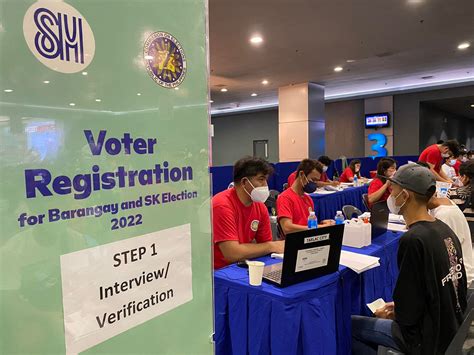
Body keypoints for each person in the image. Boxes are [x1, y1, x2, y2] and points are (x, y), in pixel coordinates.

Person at [352, 163, 467, 355]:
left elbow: (407, 315)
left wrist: (392, 313)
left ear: (405, 195)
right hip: (450, 328)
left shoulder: (413, 239)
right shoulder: (443, 229)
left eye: (393, 190)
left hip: (424, 338)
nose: (390, 196)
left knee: (349, 327)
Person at [212, 157, 285, 269]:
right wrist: (272, 246)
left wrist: (270, 247)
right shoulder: (221, 205)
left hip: (245, 265)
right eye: (261, 179)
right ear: (244, 182)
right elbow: (231, 253)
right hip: (220, 273)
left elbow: (265, 245)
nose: (265, 185)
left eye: (266, 180)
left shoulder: (260, 207)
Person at [277, 159, 335, 235]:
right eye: (313, 180)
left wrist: (323, 223)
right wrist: (320, 227)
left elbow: (309, 225)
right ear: (301, 175)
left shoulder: (308, 199)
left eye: (316, 181)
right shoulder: (285, 198)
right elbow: (287, 228)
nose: (314, 184)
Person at [428, 195, 473, 286]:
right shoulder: (441, 206)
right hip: (452, 275)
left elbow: (446, 257)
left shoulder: (445, 215)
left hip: (458, 281)